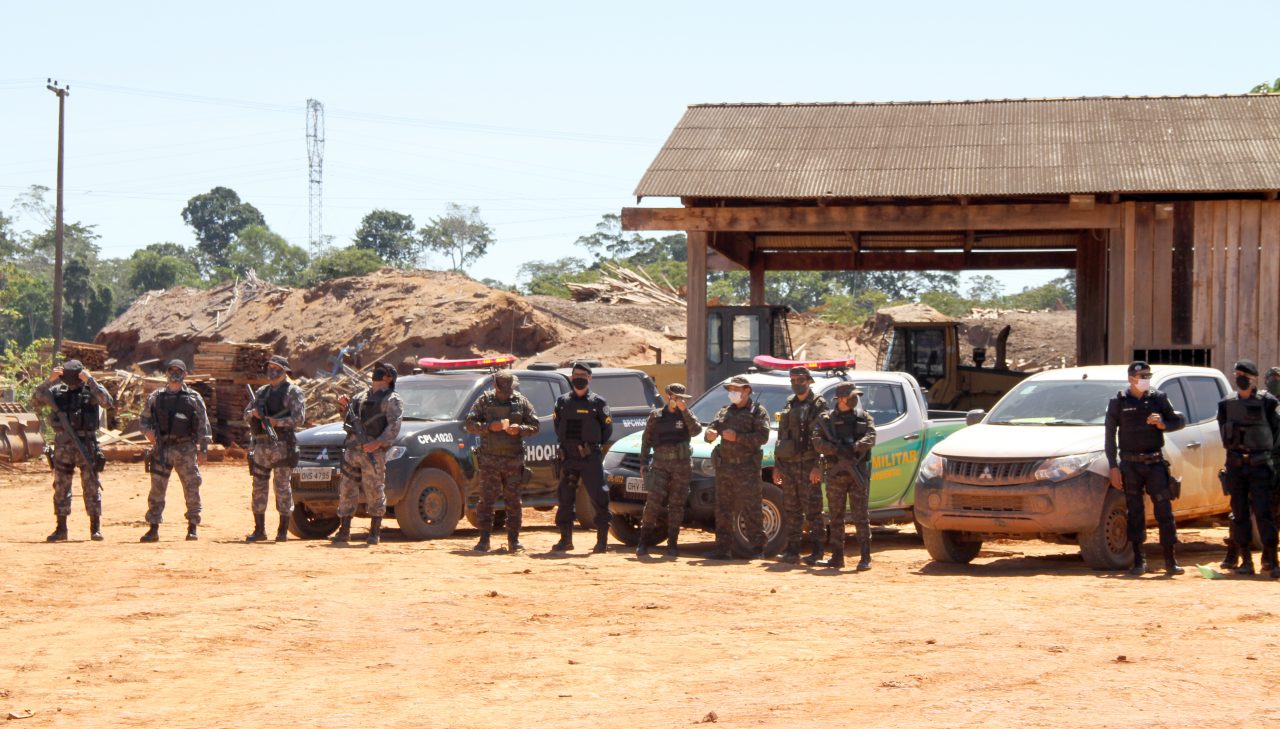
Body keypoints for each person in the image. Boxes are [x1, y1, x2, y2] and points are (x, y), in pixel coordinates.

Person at [1103, 361, 1187, 576]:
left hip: (1154, 463)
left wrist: (1163, 424)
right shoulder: (1118, 402)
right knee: (1135, 512)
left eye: (1148, 375)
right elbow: (1110, 437)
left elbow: (1179, 420)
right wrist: (1113, 467)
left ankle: (1170, 560)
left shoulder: (1158, 398)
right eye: (1142, 375)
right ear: (1131, 378)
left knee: (1164, 511)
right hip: (1130, 465)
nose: (1146, 379)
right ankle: (1139, 561)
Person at [31, 359, 113, 542]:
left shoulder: (90, 390)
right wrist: (49, 380)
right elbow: (35, 401)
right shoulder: (55, 392)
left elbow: (107, 402)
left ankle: (95, 528)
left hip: (86, 444)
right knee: (61, 487)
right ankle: (61, 529)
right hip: (63, 444)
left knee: (91, 486)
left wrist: (91, 380)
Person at [463, 369, 540, 553]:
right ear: (495, 386)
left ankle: (514, 541)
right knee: (486, 502)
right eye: (502, 388)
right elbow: (469, 424)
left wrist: (519, 429)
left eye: (508, 389)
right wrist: (489, 427)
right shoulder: (484, 401)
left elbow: (535, 425)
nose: (506, 392)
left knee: (513, 502)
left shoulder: (521, 401)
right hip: (490, 461)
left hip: (513, 461)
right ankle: (484, 540)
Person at [1217, 359, 1280, 577]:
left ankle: (1271, 560)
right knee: (1239, 513)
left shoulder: (1268, 402)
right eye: (1237, 374)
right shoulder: (1226, 403)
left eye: (1245, 375)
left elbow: (1275, 432)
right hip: (1236, 466)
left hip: (1260, 465)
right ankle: (1245, 561)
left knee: (1264, 513)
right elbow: (1223, 432)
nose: (1240, 378)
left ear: (1254, 378)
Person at [139, 359, 211, 543]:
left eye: (179, 371)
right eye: (171, 370)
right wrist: (148, 433)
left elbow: (204, 425)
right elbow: (144, 419)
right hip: (162, 448)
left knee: (191, 488)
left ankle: (192, 527)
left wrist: (203, 449)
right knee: (157, 489)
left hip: (185, 449)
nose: (175, 374)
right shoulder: (156, 396)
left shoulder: (194, 398)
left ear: (185, 374)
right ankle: (153, 528)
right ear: (166, 373)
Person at [333, 362, 403, 546]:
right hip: (353, 450)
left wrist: (377, 443)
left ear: (389, 378)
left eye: (382, 372)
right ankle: (344, 530)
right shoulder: (360, 396)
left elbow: (394, 426)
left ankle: (374, 532)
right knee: (346, 489)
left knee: (374, 490)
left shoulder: (392, 398)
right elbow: (348, 419)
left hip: (373, 451)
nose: (376, 373)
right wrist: (343, 407)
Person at [811, 382, 877, 570]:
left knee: (861, 516)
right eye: (851, 396)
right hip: (836, 474)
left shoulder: (864, 417)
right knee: (835, 516)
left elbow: (871, 437)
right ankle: (837, 557)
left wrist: (854, 447)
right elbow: (817, 442)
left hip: (857, 473)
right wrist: (836, 449)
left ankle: (865, 558)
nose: (855, 399)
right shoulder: (827, 420)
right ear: (840, 399)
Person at [704, 375, 770, 560]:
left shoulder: (758, 411)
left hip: (747, 469)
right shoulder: (725, 411)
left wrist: (738, 437)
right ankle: (723, 548)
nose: (733, 393)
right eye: (731, 390)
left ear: (747, 390)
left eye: (737, 389)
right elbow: (712, 428)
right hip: (725, 468)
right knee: (723, 509)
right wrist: (709, 434)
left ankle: (758, 549)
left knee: (752, 508)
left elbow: (762, 437)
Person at [551, 362, 613, 553]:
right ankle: (565, 540)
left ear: (589, 378)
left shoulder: (598, 403)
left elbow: (607, 430)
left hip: (589, 457)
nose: (578, 378)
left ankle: (602, 541)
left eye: (583, 375)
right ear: (571, 377)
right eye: (575, 374)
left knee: (599, 496)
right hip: (568, 457)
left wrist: (591, 446)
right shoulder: (562, 402)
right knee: (565, 499)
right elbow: (557, 425)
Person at [243, 355, 306, 543]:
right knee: (259, 487)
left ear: (284, 370)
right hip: (261, 446)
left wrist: (277, 422)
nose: (272, 371)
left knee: (282, 488)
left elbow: (299, 418)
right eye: (269, 367)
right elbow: (245, 414)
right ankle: (259, 529)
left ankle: (282, 531)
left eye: (276, 367)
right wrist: (253, 414)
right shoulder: (261, 392)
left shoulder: (293, 391)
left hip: (282, 445)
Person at [636, 382, 702, 558]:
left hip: (681, 467)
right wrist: (643, 463)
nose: (677, 400)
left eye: (680, 397)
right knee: (653, 504)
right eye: (675, 397)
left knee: (677, 505)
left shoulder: (686, 415)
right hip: (660, 465)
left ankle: (672, 543)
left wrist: (684, 410)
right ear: (668, 397)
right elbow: (646, 440)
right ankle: (643, 542)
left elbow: (696, 431)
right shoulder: (656, 416)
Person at [772, 366, 828, 565]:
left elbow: (824, 437)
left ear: (809, 381)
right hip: (789, 465)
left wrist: (817, 466)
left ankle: (818, 551)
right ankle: (792, 550)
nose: (796, 383)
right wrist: (778, 465)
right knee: (791, 509)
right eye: (793, 379)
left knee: (813, 510)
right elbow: (782, 436)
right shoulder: (789, 403)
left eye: (800, 379)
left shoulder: (819, 405)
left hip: (809, 466)